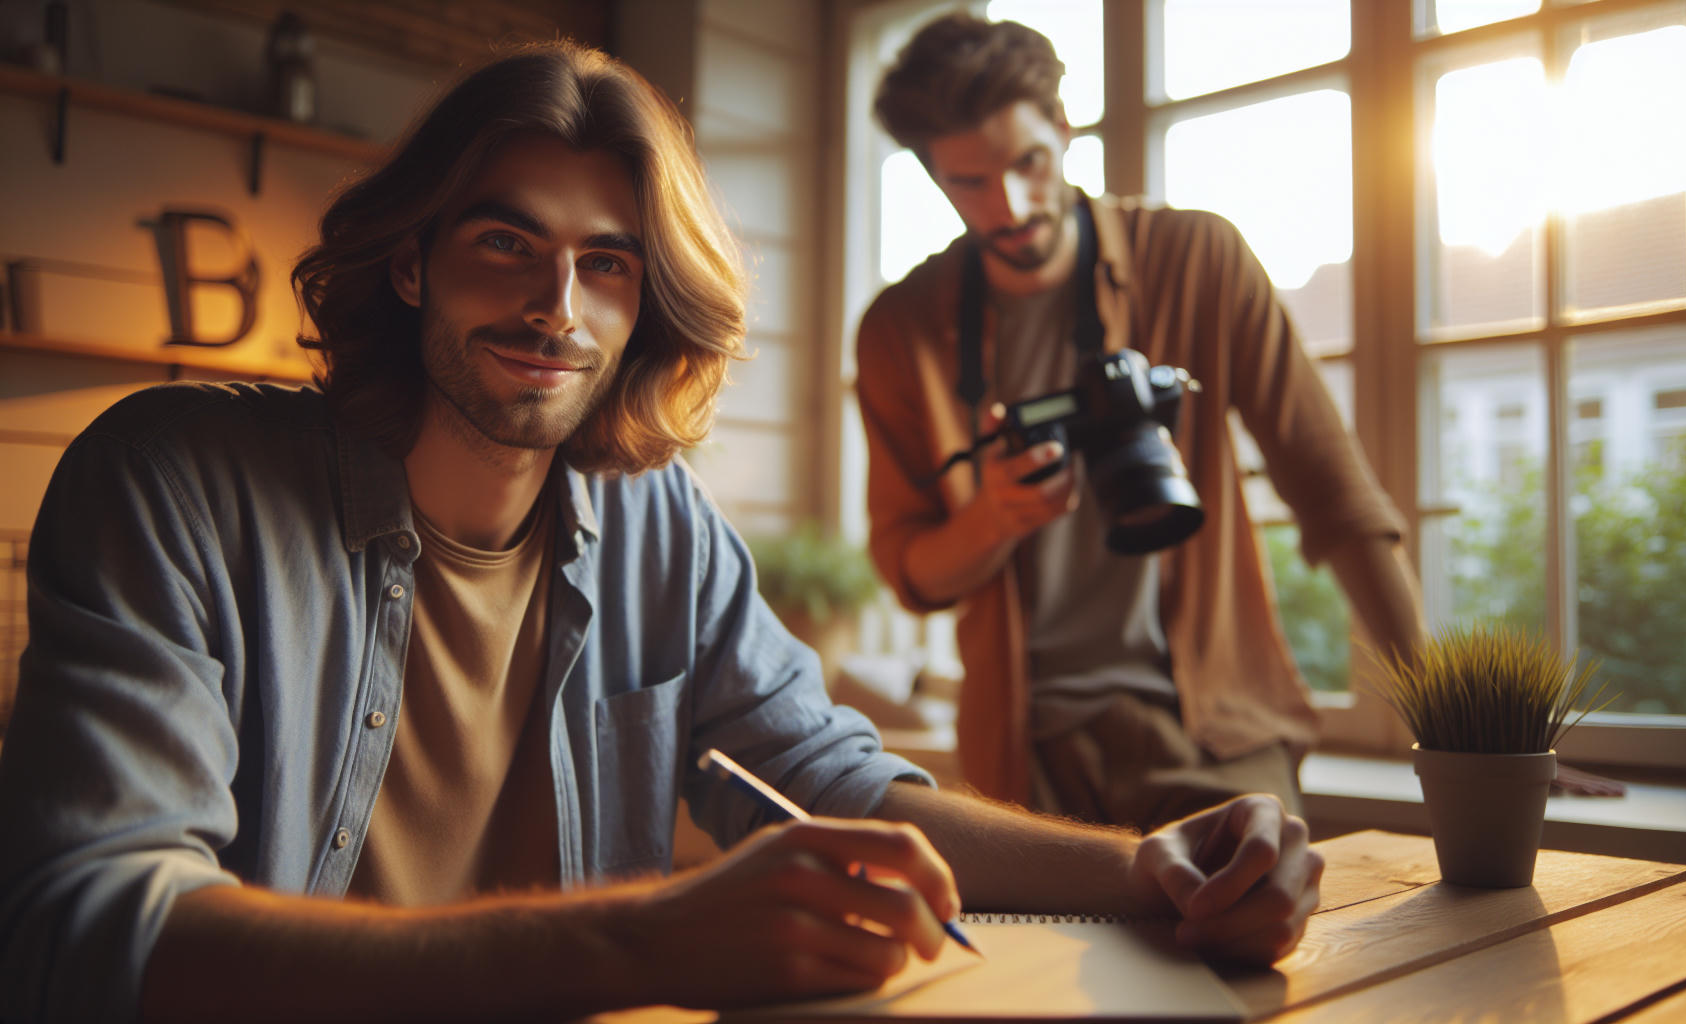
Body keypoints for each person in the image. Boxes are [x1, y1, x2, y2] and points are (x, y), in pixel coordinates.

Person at [0, 41, 1321, 1023]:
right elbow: (97, 926)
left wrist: (1148, 870)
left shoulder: (654, 517)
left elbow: (828, 777)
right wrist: (644, 941)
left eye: (607, 264)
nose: (555, 307)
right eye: (505, 243)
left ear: (645, 302)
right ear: (411, 263)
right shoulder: (171, 480)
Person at [857, 13, 1432, 830]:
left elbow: (1335, 494)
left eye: (1028, 163)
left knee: (1261, 906)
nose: (1010, 207)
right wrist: (994, 517)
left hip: (1218, 726)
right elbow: (911, 573)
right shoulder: (900, 329)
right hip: (1024, 753)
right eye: (969, 183)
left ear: (1064, 128)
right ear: (932, 175)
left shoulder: (1198, 259)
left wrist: (1453, 725)